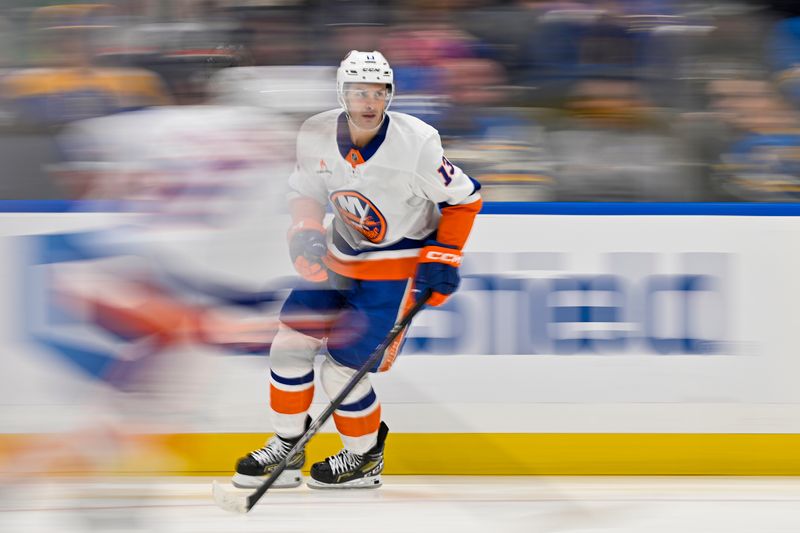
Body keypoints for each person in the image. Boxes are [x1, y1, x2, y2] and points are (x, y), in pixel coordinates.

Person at [231, 50, 482, 490]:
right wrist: (306, 228)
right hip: (339, 253)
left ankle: (364, 456)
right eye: (358, 91)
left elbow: (463, 199)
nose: (369, 101)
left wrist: (444, 255)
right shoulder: (316, 131)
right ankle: (287, 450)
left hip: (396, 265)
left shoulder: (418, 142)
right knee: (288, 345)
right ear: (342, 93)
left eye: (378, 92)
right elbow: (304, 189)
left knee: (341, 371)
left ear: (391, 94)